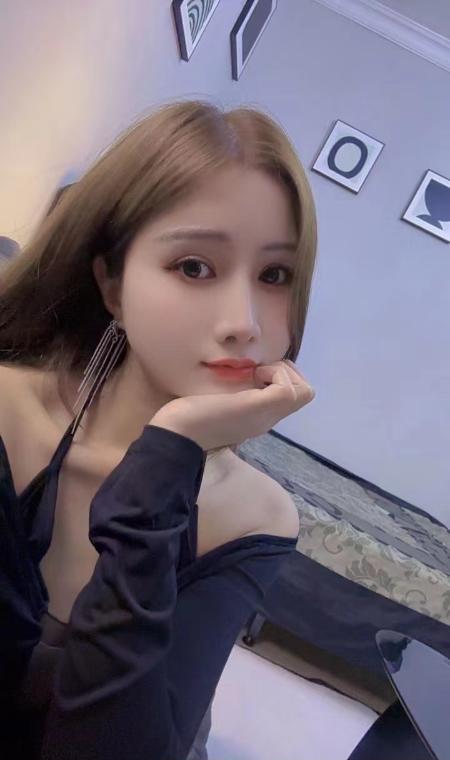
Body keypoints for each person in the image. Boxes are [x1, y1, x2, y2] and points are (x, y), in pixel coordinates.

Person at [0, 98, 317, 759]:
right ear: (113, 286)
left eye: (275, 275)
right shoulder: (6, 415)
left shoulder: (257, 516)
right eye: (195, 266)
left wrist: (169, 454)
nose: (243, 323)